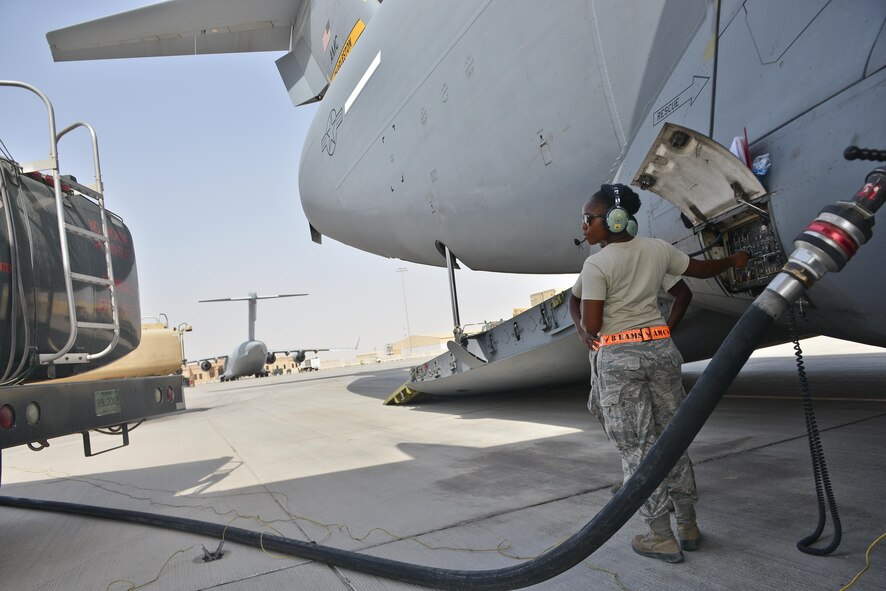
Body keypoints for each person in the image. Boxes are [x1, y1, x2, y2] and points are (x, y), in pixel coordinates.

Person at [575, 183, 748, 564]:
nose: (584, 225)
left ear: (615, 220)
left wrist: (585, 330)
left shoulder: (596, 265)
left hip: (620, 359)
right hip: (661, 352)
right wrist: (734, 260)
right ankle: (688, 525)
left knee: (637, 450)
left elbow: (593, 320)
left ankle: (659, 536)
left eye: (589, 218)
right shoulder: (657, 249)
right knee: (673, 440)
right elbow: (700, 271)